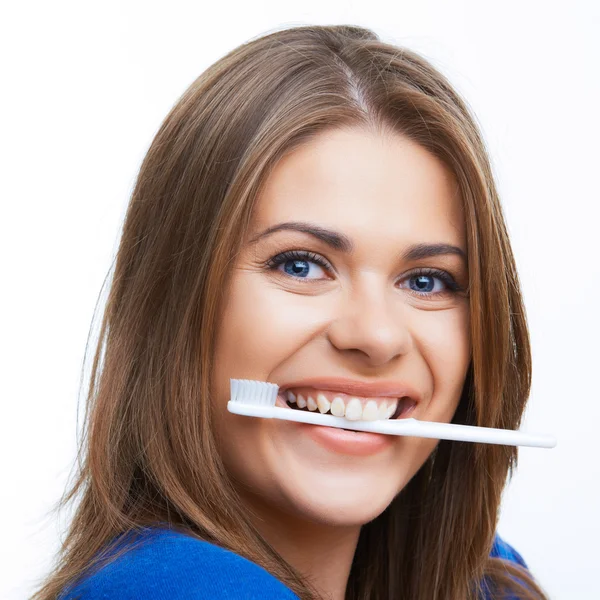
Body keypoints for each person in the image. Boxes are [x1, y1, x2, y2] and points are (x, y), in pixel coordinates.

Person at [31, 24, 548, 600]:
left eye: (427, 280)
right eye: (300, 265)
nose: (375, 335)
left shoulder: (486, 582)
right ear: (174, 305)